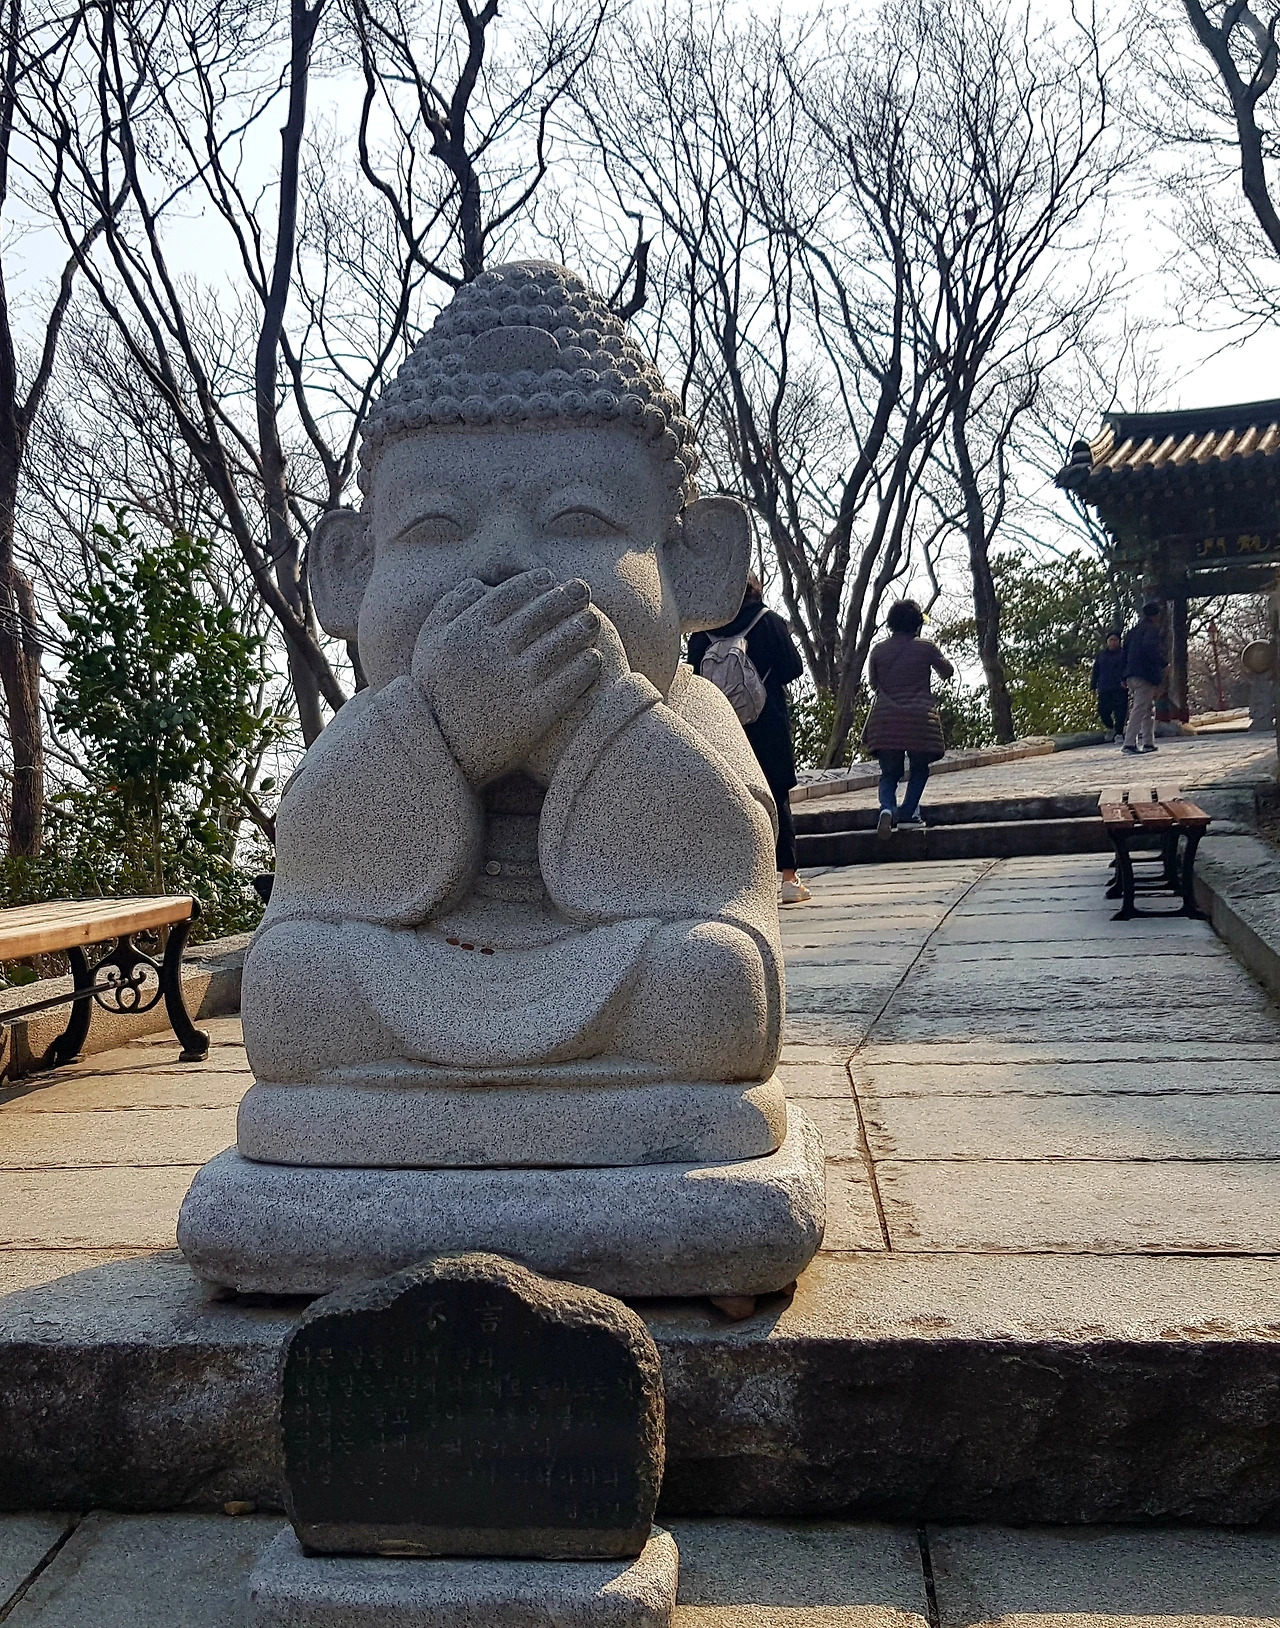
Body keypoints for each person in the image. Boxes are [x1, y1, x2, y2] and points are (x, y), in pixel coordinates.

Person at [688, 573, 810, 903]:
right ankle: (788, 878)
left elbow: (692, 676)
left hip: (720, 726)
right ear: (756, 591)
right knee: (776, 797)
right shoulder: (768, 621)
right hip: (766, 722)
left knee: (728, 799)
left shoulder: (703, 630)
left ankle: (736, 880)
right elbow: (793, 668)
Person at [862, 598, 954, 838]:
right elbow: (947, 672)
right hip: (919, 720)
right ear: (917, 623)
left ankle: (887, 808)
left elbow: (874, 684)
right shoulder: (926, 647)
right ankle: (908, 814)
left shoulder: (878, 650)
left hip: (886, 721)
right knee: (919, 769)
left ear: (891, 623)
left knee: (889, 774)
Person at [1122, 602, 1166, 755]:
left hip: (1131, 674)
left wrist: (1123, 675)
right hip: (1144, 674)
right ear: (1156, 616)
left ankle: (1148, 742)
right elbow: (1149, 647)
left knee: (1147, 708)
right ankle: (1129, 743)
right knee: (1140, 708)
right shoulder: (1151, 630)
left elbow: (1124, 653)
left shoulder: (1132, 632)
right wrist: (1162, 663)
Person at [1090, 630, 1128, 741]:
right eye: (1111, 640)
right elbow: (1096, 671)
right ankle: (1111, 728)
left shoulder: (1124, 654)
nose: (1113, 642)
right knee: (1103, 711)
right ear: (1107, 641)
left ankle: (1119, 733)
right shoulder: (1101, 656)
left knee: (1120, 712)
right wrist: (1093, 686)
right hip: (1104, 688)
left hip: (1120, 687)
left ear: (1119, 641)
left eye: (1115, 640)